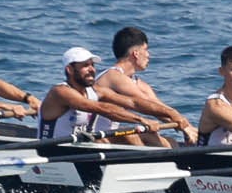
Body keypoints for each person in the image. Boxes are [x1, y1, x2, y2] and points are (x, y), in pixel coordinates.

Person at [38, 47, 171, 146]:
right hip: (52, 152)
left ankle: (165, 165)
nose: (92, 69)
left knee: (149, 136)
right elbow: (102, 109)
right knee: (129, 137)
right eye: (85, 65)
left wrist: (174, 116)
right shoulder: (60, 92)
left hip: (78, 148)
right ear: (70, 70)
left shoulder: (95, 91)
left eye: (92, 65)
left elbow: (133, 103)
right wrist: (141, 120)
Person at [94, 26, 198, 143]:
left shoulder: (137, 82)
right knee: (135, 136)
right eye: (146, 49)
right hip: (94, 136)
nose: (149, 55)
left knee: (169, 141)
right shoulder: (113, 76)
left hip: (110, 135)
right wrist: (180, 122)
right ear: (136, 53)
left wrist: (188, 127)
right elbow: (143, 104)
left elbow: (157, 106)